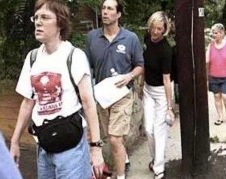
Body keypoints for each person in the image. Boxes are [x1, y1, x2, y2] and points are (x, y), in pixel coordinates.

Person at [10, 0, 104, 178]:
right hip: (44, 147)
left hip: (71, 149)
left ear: (60, 23)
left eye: (45, 17)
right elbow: (27, 103)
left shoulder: (74, 56)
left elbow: (88, 103)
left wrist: (96, 148)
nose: (38, 22)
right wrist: (14, 142)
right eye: (36, 17)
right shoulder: (32, 58)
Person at [85, 0, 144, 178]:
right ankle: (122, 157)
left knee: (114, 138)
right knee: (111, 138)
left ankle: (120, 176)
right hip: (102, 96)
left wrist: (129, 76)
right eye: (103, 8)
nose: (105, 12)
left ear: (118, 14)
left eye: (110, 8)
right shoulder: (92, 37)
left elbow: (140, 65)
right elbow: (87, 68)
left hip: (123, 95)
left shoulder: (130, 38)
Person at [140, 11, 175, 179]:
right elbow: (143, 62)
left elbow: (167, 79)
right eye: (153, 27)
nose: (155, 32)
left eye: (159, 29)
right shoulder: (146, 38)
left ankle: (159, 168)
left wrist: (169, 106)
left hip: (162, 91)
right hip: (147, 89)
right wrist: (141, 84)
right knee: (148, 129)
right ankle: (155, 159)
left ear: (165, 29)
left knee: (158, 131)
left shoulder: (166, 50)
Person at [206, 23, 226, 125]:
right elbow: (207, 61)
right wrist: (206, 76)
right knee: (216, 97)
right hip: (213, 76)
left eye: (216, 33)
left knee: (225, 97)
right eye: (213, 33)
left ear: (222, 33)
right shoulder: (210, 46)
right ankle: (220, 116)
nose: (214, 35)